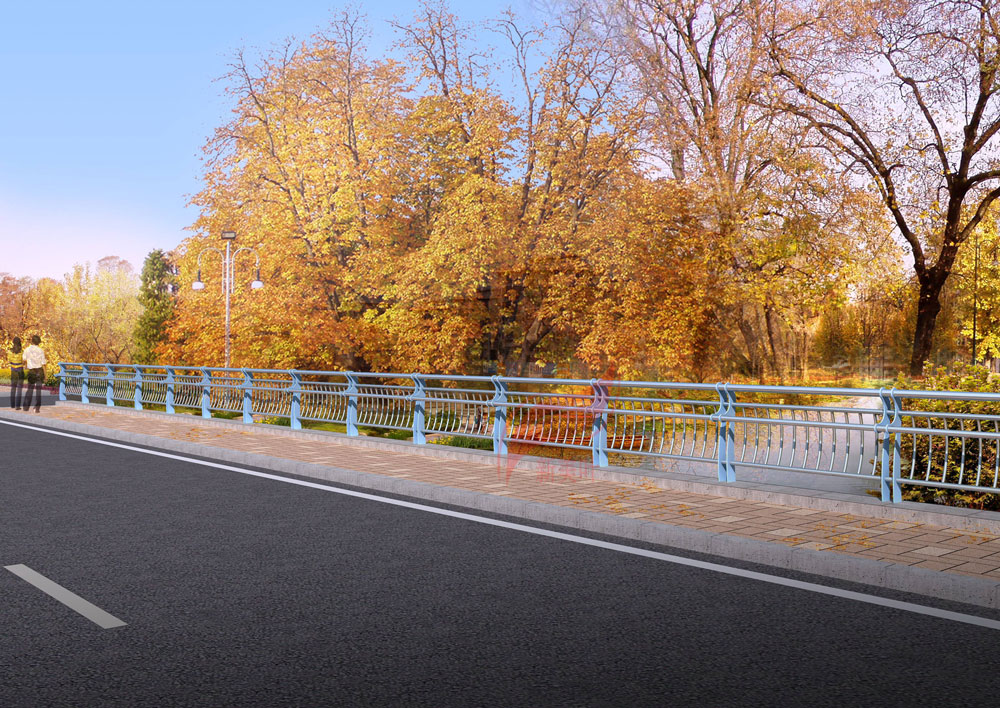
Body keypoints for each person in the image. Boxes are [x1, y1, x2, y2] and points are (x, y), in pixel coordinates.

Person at [22, 335, 46, 413]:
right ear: (38, 342)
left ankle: (26, 407)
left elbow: (24, 360)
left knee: (30, 389)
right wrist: (45, 375)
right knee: (38, 390)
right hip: (39, 371)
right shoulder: (41, 350)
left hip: (31, 371)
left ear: (32, 341)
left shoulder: (27, 350)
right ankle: (37, 408)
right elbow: (43, 364)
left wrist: (25, 365)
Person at [6, 337, 24, 409]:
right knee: (19, 388)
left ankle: (12, 404)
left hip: (13, 369)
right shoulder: (22, 351)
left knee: (13, 387)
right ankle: (17, 406)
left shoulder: (10, 351)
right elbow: (23, 360)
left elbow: (9, 360)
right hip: (20, 369)